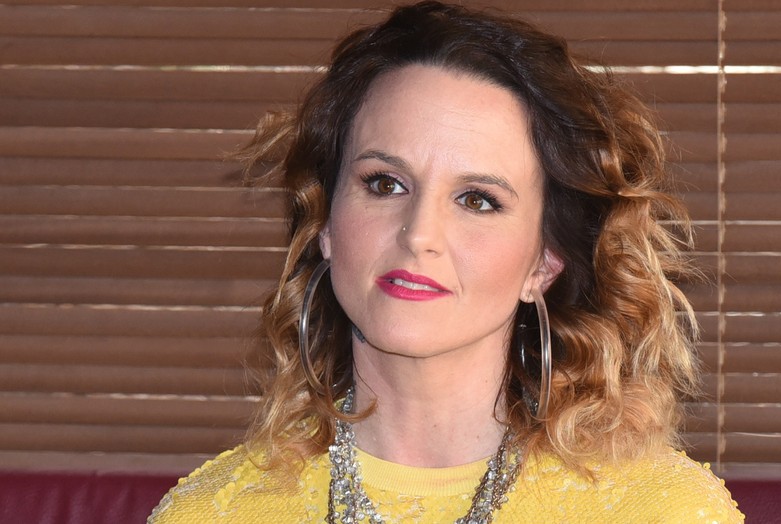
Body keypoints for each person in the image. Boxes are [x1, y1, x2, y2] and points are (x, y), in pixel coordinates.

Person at [149, 1, 743, 522]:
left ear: (545, 262)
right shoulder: (212, 513)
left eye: (477, 200)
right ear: (325, 223)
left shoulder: (659, 511)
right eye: (384, 183)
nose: (419, 235)